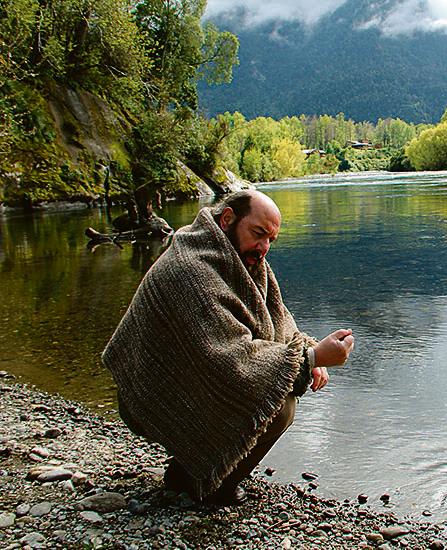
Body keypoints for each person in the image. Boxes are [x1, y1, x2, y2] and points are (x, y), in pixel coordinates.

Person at [102, 190, 354, 504]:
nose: (263, 248)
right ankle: (209, 487)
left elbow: (278, 319)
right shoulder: (190, 269)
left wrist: (307, 351)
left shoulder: (239, 255)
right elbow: (231, 359)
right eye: (258, 234)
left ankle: (186, 470)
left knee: (274, 386)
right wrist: (313, 357)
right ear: (227, 219)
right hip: (152, 390)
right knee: (279, 405)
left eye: (271, 240)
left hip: (189, 377)